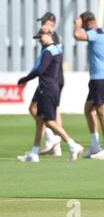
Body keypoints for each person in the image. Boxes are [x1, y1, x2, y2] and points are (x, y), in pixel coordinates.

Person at [17, 29, 83, 163]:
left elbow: (40, 70)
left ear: (49, 35)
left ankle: (72, 145)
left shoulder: (48, 51)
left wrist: (24, 79)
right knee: (40, 120)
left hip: (46, 89)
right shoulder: (56, 49)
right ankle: (34, 153)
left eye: (40, 37)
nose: (39, 40)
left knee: (49, 121)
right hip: (51, 88)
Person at [73, 12, 104, 161]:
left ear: (87, 23)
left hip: (99, 78)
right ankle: (95, 145)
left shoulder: (93, 33)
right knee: (88, 109)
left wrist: (77, 24)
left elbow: (76, 35)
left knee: (102, 112)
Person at [28, 13, 65, 157]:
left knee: (50, 112)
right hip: (51, 79)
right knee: (40, 110)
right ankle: (54, 144)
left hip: (52, 80)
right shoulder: (48, 37)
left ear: (52, 23)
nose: (42, 24)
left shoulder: (52, 37)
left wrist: (28, 77)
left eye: (44, 21)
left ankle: (55, 140)